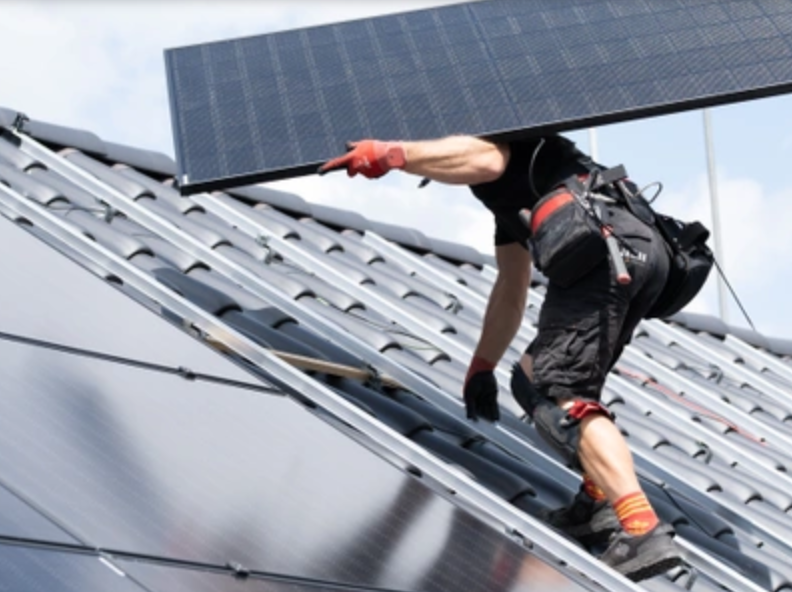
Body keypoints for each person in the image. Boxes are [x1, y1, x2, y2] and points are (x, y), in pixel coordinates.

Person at [318, 135, 683, 582]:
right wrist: (482, 366)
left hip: (607, 250)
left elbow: (488, 157)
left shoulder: (498, 135)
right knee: (532, 379)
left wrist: (396, 155)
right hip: (641, 250)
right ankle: (597, 498)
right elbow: (512, 285)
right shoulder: (514, 199)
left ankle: (640, 527)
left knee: (560, 392)